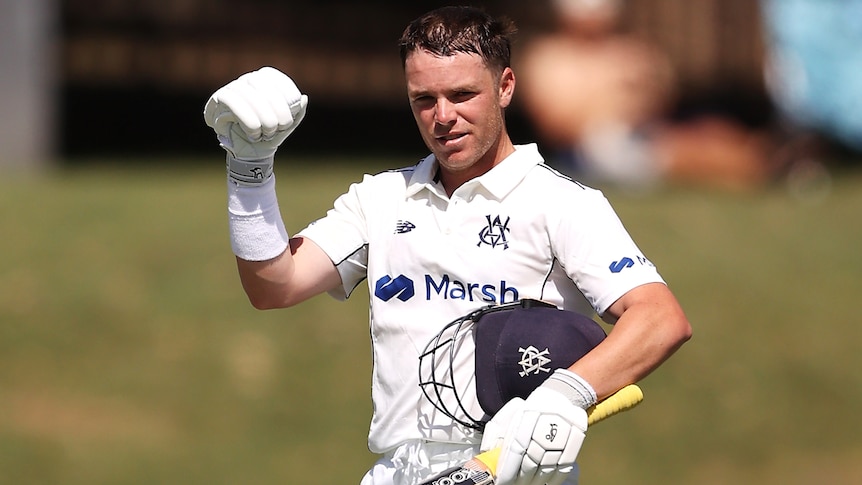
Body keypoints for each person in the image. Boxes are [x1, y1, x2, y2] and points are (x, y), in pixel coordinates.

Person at [203, 6, 691, 485]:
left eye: (462, 94)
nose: (443, 117)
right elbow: (273, 286)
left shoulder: (561, 202)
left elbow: (660, 318)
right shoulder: (380, 198)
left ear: (505, 87)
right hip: (397, 469)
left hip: (509, 468)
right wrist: (250, 170)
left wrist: (565, 395)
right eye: (424, 99)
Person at [518, 0, 775, 190]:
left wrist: (636, 96)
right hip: (588, 150)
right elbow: (552, 125)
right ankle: (765, 165)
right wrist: (610, 102)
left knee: (714, 130)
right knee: (695, 153)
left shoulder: (628, 50)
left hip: (645, 132)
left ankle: (767, 157)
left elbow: (663, 97)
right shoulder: (549, 58)